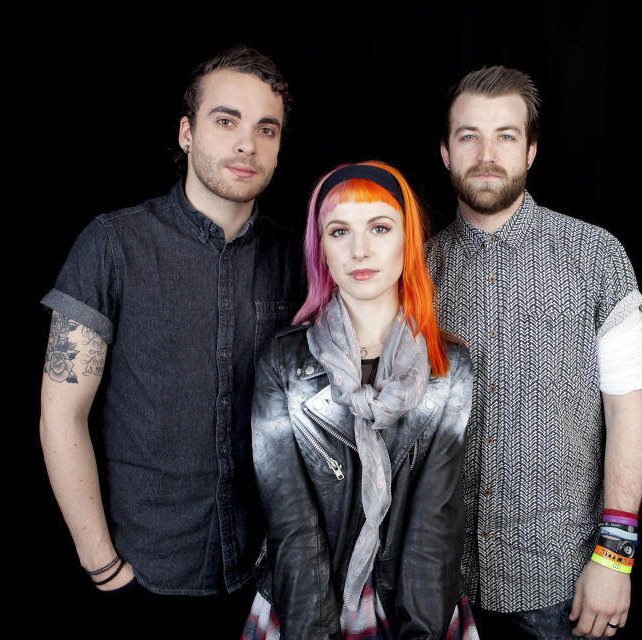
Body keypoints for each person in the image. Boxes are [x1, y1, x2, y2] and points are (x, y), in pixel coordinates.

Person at [38, 45, 303, 628]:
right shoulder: (112, 246)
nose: (246, 144)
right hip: (145, 575)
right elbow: (61, 415)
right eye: (225, 120)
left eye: (267, 129)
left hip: (267, 577)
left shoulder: (300, 257)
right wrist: (104, 567)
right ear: (186, 132)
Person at [426, 66, 642, 639]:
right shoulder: (415, 270)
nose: (486, 153)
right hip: (441, 584)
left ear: (529, 151)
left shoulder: (597, 255)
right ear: (446, 153)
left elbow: (628, 411)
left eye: (505, 136)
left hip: (563, 580)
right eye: (468, 135)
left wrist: (615, 556)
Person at [241, 161, 479, 640]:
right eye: (339, 231)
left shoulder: (449, 367)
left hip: (416, 605)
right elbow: (292, 526)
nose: (360, 249)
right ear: (321, 248)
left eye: (379, 227)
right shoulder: (281, 364)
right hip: (305, 600)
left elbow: (432, 528)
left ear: (406, 241)